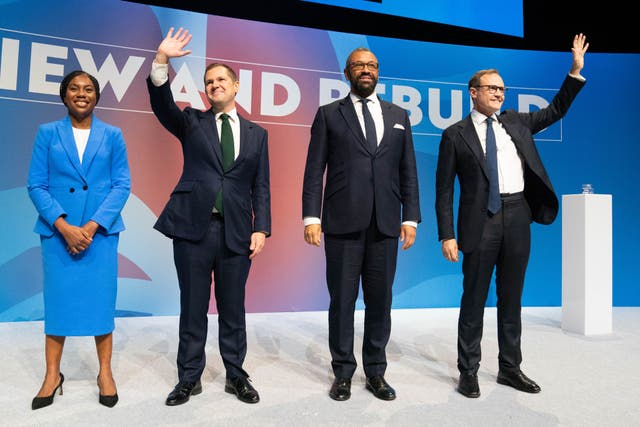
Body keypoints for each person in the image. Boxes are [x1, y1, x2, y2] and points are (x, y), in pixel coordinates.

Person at [435, 34, 589, 398]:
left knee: (511, 297)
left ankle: (510, 368)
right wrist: (446, 234)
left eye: (503, 89)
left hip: (518, 215)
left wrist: (575, 71)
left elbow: (556, 110)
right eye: (492, 88)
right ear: (473, 92)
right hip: (479, 220)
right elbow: (444, 190)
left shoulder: (517, 122)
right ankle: (468, 371)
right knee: (473, 298)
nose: (500, 94)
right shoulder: (454, 135)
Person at [147, 27, 271, 406]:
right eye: (208, 82)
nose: (214, 85)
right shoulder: (191, 121)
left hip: (236, 231)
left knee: (234, 309)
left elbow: (261, 185)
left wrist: (262, 227)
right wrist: (161, 61)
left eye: (221, 80)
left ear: (235, 87)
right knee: (193, 306)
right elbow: (161, 104)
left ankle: (236, 374)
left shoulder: (257, 133)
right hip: (193, 230)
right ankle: (189, 377)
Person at [302, 47, 421, 401]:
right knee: (342, 301)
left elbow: (408, 171)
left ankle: (376, 373)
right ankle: (342, 373)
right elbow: (313, 171)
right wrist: (311, 216)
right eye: (358, 66)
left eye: (371, 65)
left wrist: (410, 217)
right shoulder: (328, 115)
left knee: (380, 301)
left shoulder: (399, 114)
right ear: (347, 72)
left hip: (386, 224)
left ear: (378, 71)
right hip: (341, 224)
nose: (365, 70)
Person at [27, 70, 131, 409]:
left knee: (101, 304)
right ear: (64, 94)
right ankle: (52, 375)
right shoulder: (47, 133)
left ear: (97, 96)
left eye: (88, 89)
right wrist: (64, 226)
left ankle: (105, 373)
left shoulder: (113, 135)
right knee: (58, 305)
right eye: (74, 88)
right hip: (58, 234)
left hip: (99, 235)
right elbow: (36, 185)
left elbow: (122, 185)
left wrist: (89, 226)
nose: (81, 93)